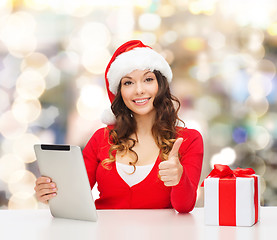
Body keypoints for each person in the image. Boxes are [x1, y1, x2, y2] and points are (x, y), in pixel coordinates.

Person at [34, 40, 204, 213]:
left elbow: (184, 207)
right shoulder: (102, 138)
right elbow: (73, 198)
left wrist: (179, 178)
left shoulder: (188, 140)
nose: (139, 90)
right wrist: (50, 194)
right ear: (119, 92)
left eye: (148, 79)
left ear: (161, 85)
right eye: (128, 83)